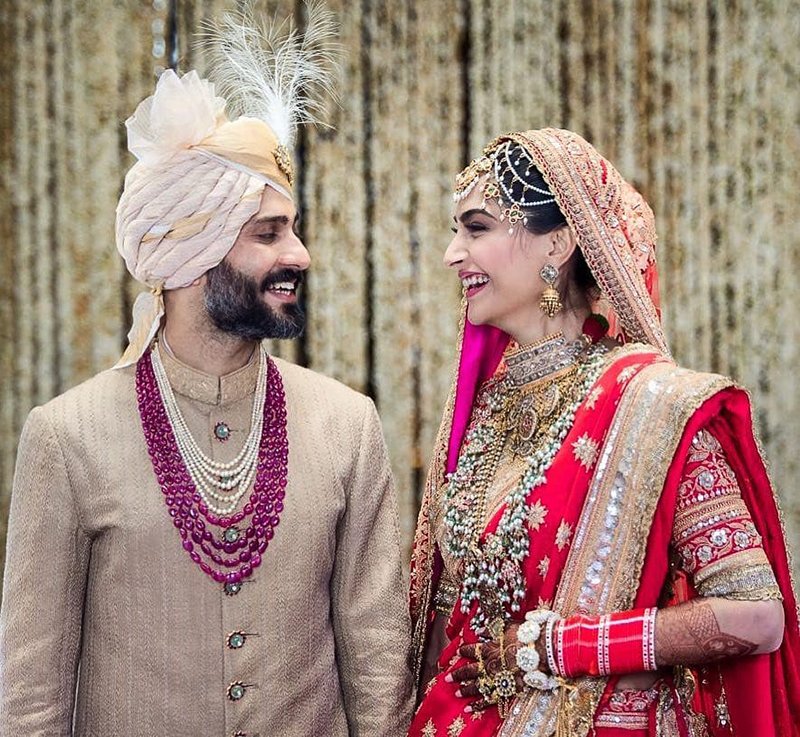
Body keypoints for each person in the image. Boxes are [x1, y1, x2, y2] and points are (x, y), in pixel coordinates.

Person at [0, 6, 413, 736]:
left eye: (293, 228)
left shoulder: (348, 425)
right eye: (268, 233)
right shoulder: (67, 437)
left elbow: (380, 672)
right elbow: (32, 701)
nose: (301, 255)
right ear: (193, 254)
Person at [408, 128, 800, 737]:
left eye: (476, 228)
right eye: (456, 231)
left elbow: (755, 617)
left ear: (557, 244)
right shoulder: (482, 411)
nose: (452, 254)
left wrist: (558, 647)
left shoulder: (651, 407)